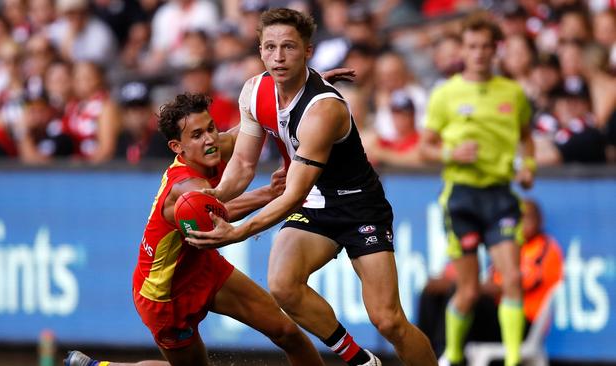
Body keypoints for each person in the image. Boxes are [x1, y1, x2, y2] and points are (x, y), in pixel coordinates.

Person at [186, 8, 438, 366]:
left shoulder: (324, 109)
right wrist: (213, 197)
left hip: (358, 206)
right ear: (259, 51)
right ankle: (361, 361)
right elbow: (242, 166)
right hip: (314, 202)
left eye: (288, 47)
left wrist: (237, 233)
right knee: (283, 285)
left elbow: (292, 195)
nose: (278, 56)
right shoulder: (254, 92)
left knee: (388, 320)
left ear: (308, 51)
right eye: (270, 47)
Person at [64, 93, 325, 366]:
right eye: (198, 135)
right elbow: (216, 215)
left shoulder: (212, 148)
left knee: (287, 332)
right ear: (178, 147)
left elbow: (252, 125)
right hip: (165, 296)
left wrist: (303, 96)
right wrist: (269, 193)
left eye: (211, 128)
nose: (210, 139)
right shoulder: (184, 188)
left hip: (201, 267)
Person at [419, 13, 536, 366]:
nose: (480, 53)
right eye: (473, 46)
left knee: (512, 277)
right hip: (462, 196)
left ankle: (514, 360)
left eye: (487, 46)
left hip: (500, 195)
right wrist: (451, 153)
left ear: (496, 49)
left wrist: (527, 168)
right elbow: (424, 148)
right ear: (463, 50)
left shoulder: (513, 93)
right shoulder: (446, 94)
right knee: (467, 290)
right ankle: (452, 353)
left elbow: (527, 139)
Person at [417, 199, 564, 357]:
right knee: (432, 293)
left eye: (526, 217)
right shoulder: (512, 247)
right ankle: (424, 355)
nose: (521, 223)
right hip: (497, 316)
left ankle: (444, 356)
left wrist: (461, 285)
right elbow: (489, 281)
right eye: (517, 218)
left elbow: (510, 284)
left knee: (463, 294)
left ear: (539, 220)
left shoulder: (545, 248)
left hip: (522, 324)